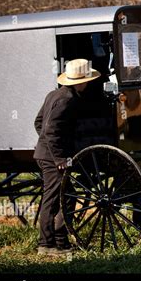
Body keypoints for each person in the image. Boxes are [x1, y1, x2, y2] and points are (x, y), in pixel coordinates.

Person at [34, 58, 100, 256]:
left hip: (47, 154)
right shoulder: (67, 100)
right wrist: (59, 158)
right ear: (80, 81)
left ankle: (59, 241)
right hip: (53, 158)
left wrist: (46, 146)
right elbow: (50, 129)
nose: (88, 83)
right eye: (87, 79)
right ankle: (47, 244)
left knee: (65, 198)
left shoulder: (53, 94)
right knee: (53, 199)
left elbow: (38, 123)